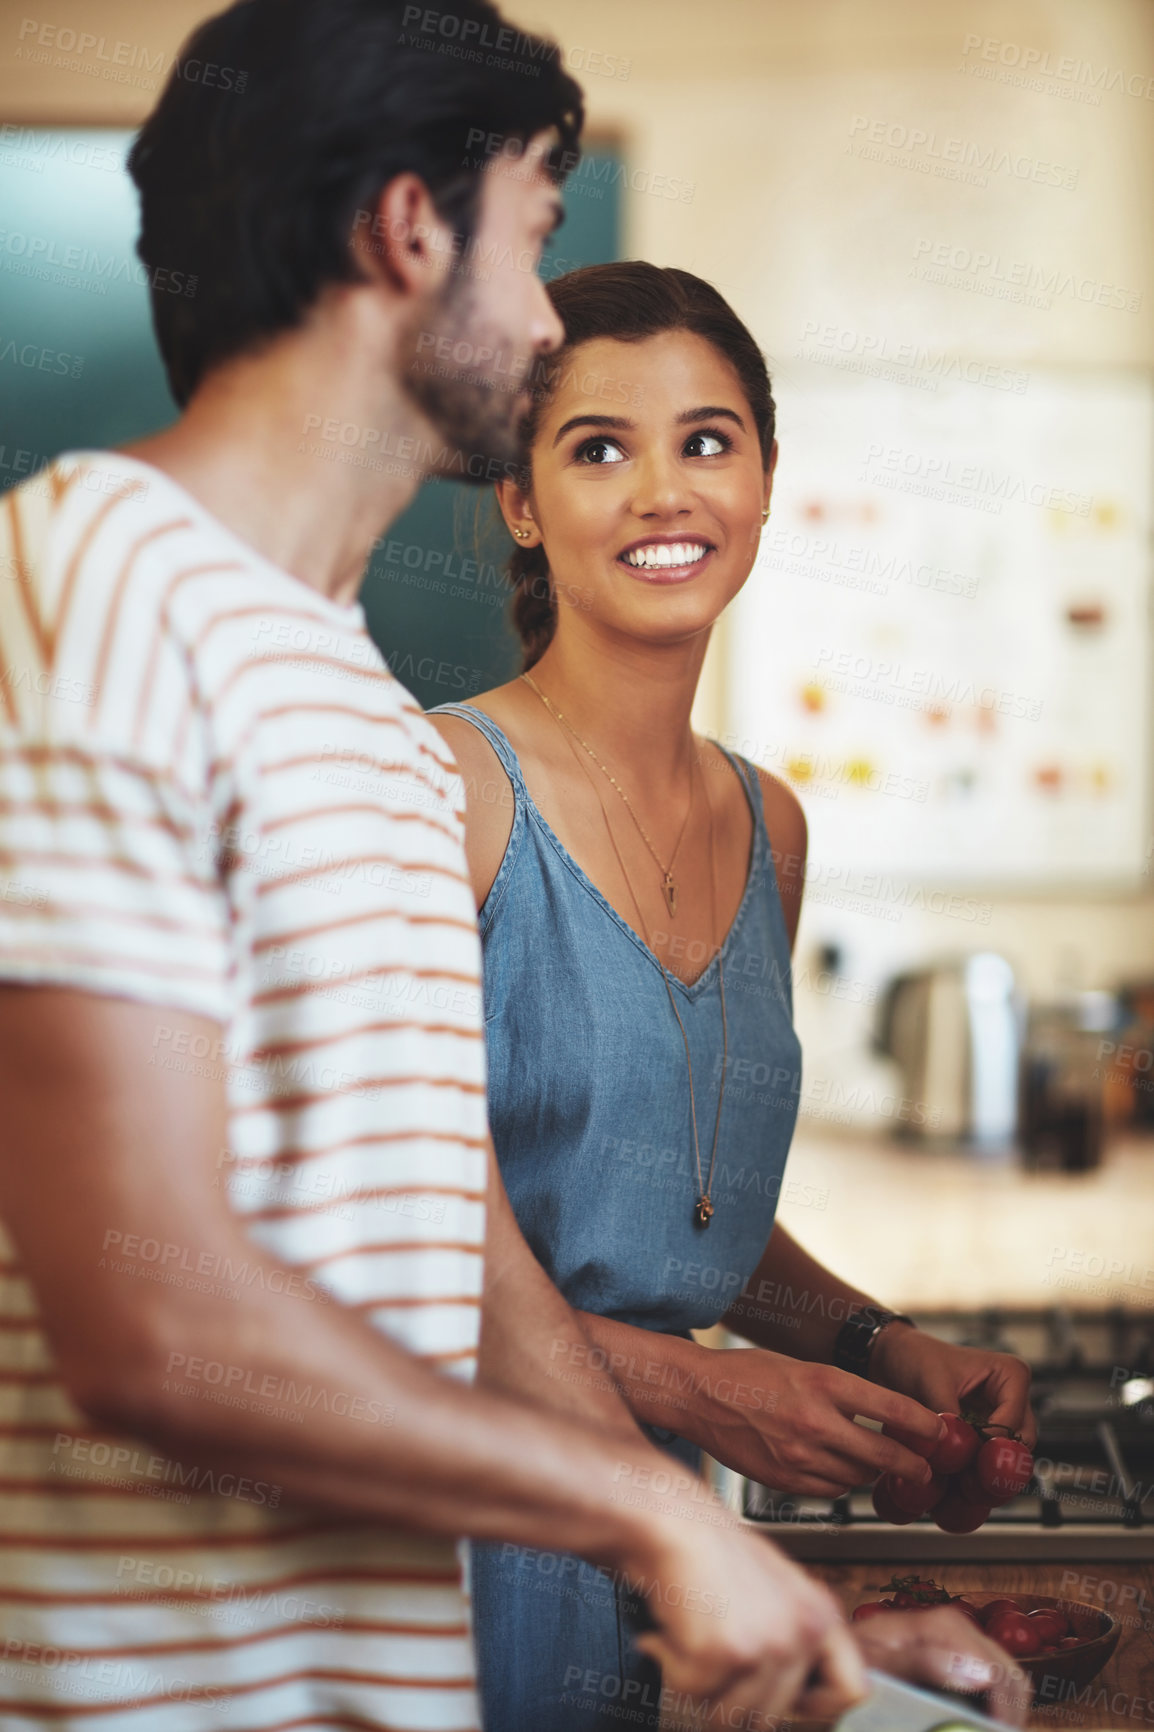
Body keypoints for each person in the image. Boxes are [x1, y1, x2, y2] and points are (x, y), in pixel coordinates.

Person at [0, 7, 884, 1727]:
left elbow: (450, 1259)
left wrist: (739, 1590)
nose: (550, 321)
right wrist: (642, 1502)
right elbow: (144, 1322)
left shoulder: (345, 691)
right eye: (539, 239)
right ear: (411, 230)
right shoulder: (103, 579)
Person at [430, 261, 1036, 1731]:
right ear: (519, 501)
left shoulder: (771, 831)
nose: (662, 493)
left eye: (706, 441)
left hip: (658, 1539)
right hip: (444, 1532)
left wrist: (871, 1342)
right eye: (596, 448)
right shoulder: (438, 789)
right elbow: (359, 1233)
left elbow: (676, 1202)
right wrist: (691, 1390)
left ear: (764, 478)